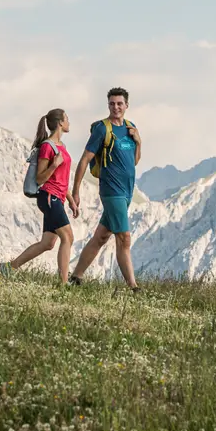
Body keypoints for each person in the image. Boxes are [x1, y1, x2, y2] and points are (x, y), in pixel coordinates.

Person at [68, 87, 141, 291]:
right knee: (124, 238)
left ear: (126, 105)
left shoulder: (131, 127)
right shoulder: (102, 129)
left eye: (119, 104)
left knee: (102, 236)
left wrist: (138, 141)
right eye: (112, 103)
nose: (116, 107)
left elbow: (134, 161)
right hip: (111, 191)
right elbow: (84, 160)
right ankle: (133, 287)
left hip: (127, 191)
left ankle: (76, 277)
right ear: (108, 105)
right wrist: (75, 191)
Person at [0, 109, 78, 284]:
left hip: (58, 198)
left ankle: (9, 268)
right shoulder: (47, 147)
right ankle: (64, 283)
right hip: (49, 197)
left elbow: (62, 179)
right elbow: (40, 178)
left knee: (48, 243)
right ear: (60, 123)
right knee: (68, 237)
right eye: (67, 119)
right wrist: (54, 165)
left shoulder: (61, 147)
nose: (69, 122)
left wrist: (71, 201)